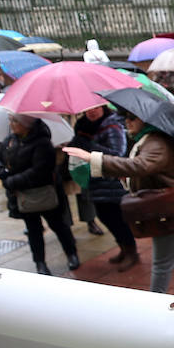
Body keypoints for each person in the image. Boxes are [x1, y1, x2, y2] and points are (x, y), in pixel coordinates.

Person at [64, 110, 174, 299]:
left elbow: (139, 166)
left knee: (161, 262)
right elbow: (143, 170)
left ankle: (154, 307)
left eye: (132, 118)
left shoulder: (156, 143)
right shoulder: (150, 139)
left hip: (173, 208)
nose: (127, 121)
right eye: (125, 117)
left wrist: (92, 158)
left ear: (145, 120)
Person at [0, 114, 78, 275]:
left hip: (43, 193)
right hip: (23, 196)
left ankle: (71, 253)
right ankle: (40, 262)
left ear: (27, 124)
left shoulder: (43, 143)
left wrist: (12, 181)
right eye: (11, 120)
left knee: (58, 225)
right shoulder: (10, 140)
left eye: (15, 121)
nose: (11, 124)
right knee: (33, 230)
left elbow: (39, 171)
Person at [69, 104, 139, 271]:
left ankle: (131, 252)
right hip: (94, 181)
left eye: (96, 107)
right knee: (104, 216)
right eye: (87, 108)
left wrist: (88, 147)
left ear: (103, 107)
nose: (91, 111)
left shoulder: (112, 125)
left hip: (112, 183)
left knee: (117, 219)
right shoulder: (82, 127)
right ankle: (123, 248)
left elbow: (117, 154)